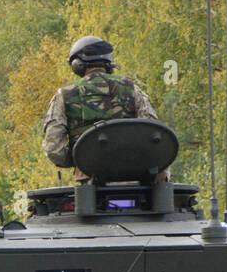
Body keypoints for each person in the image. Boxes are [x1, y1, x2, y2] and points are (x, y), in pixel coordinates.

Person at [42, 36, 159, 181]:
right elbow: (152, 131)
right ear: (108, 63)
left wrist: (79, 160)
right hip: (132, 176)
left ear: (77, 64)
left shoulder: (64, 94)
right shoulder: (132, 89)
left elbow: (53, 148)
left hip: (89, 181)